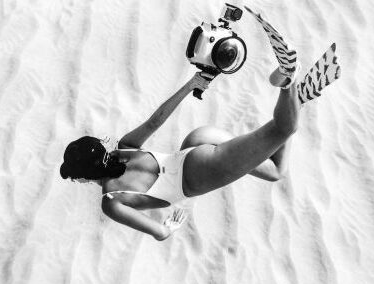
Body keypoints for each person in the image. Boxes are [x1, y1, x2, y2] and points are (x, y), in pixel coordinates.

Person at [60, 11, 341, 241]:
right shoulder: (124, 148)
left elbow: (159, 233)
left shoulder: (111, 202)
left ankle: (287, 81)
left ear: (84, 177)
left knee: (281, 131)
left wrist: (170, 226)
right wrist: (191, 85)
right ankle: (297, 101)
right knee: (275, 169)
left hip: (203, 171)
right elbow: (157, 119)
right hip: (194, 143)